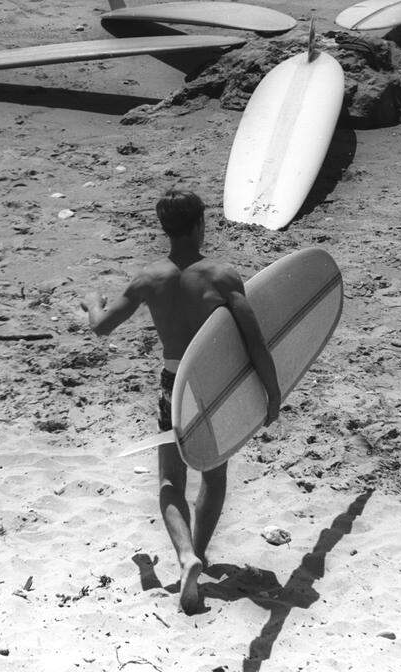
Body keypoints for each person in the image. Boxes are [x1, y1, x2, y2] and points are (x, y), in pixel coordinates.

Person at [81, 189, 281, 614]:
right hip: (214, 383)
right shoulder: (222, 278)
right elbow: (255, 342)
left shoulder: (149, 279)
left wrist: (92, 302)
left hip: (174, 382)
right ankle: (200, 552)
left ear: (165, 229)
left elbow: (102, 327)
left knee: (171, 479)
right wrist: (272, 391)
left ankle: (185, 555)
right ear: (199, 225)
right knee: (213, 474)